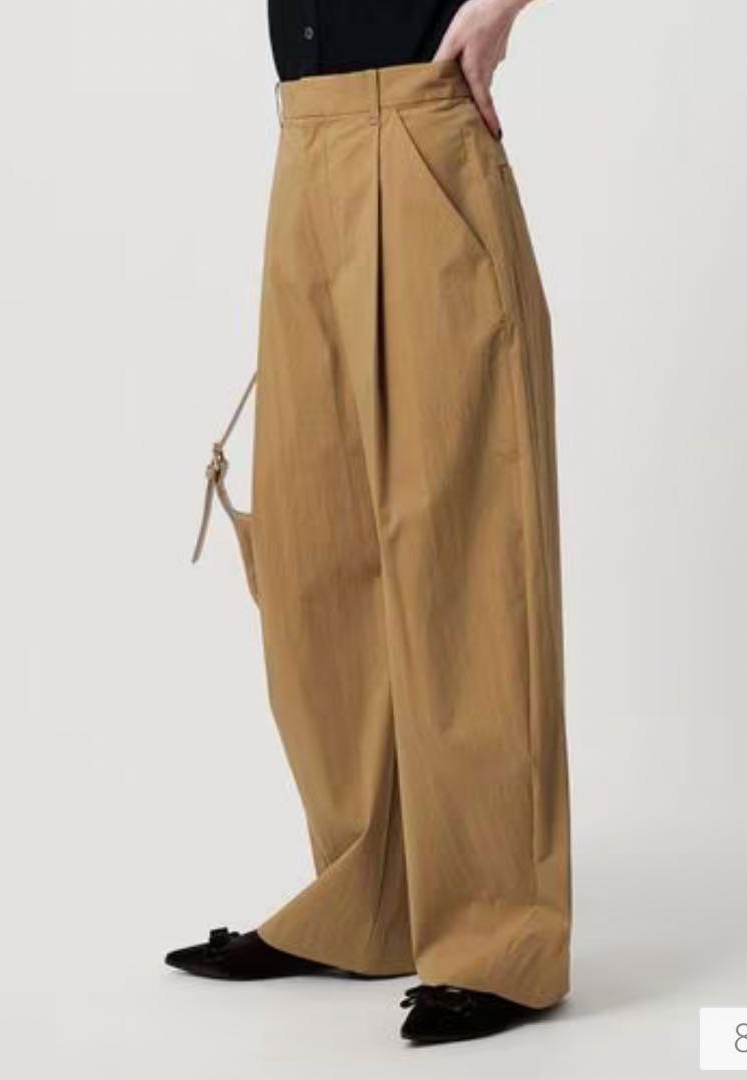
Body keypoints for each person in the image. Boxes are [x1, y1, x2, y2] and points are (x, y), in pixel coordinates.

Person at [168, 0, 572, 1045]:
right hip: (306, 138)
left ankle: (498, 939)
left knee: (464, 551)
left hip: (423, 129)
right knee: (317, 549)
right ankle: (366, 899)